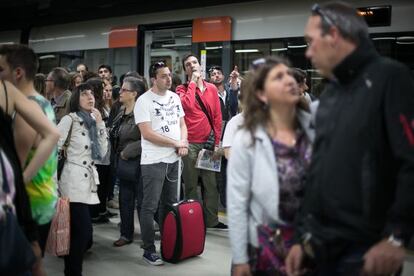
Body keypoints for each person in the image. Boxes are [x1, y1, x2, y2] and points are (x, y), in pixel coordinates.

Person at [286, 2, 414, 276]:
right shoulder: (331, 93)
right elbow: (316, 170)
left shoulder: (390, 79)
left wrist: (397, 236)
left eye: (311, 41)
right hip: (320, 246)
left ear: (333, 35)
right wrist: (300, 236)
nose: (307, 53)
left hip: (366, 250)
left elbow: (411, 163)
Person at [227, 56, 313, 276]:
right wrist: (239, 258)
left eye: (289, 74)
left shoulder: (314, 127)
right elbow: (237, 203)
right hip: (266, 246)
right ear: (261, 94)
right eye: (278, 77)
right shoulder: (247, 139)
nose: (290, 80)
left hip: (312, 244)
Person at [0, 44, 60, 256]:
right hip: (44, 194)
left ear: (17, 73)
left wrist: (19, 181)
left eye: (1, 70)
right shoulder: (42, 103)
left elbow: (14, 164)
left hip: (29, 201)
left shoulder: (24, 111)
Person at [135, 61, 188, 265]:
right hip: (153, 161)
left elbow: (182, 124)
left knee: (169, 205)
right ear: (153, 79)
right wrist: (176, 142)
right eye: (164, 76)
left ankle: (168, 243)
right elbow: (147, 134)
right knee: (149, 206)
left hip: (174, 159)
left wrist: (182, 142)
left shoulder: (175, 97)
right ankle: (149, 249)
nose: (169, 79)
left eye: (169, 75)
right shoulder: (143, 101)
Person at [57, 83, 108, 276]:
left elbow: (102, 154)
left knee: (80, 234)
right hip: (72, 181)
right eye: (85, 94)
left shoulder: (94, 122)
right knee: (84, 231)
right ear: (76, 98)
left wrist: (101, 123)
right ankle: (73, 272)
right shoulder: (69, 120)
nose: (90, 97)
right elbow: (53, 149)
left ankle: (71, 270)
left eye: (92, 94)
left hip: (88, 183)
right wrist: (52, 183)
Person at [176, 54, 225, 229]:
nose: (192, 66)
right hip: (189, 144)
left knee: (210, 184)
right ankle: (193, 220)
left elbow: (218, 117)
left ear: (200, 65)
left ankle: (211, 220)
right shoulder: (181, 89)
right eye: (188, 64)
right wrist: (192, 83)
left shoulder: (212, 88)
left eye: (194, 62)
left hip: (209, 143)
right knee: (190, 184)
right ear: (185, 70)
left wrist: (217, 141)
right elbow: (187, 106)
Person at [112, 77, 146, 247]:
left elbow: (147, 138)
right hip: (123, 163)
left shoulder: (142, 113)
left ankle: (147, 238)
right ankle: (126, 234)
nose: (120, 92)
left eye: (124, 90)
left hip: (139, 162)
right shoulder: (121, 112)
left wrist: (129, 151)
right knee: (125, 200)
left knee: (142, 201)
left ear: (134, 94)